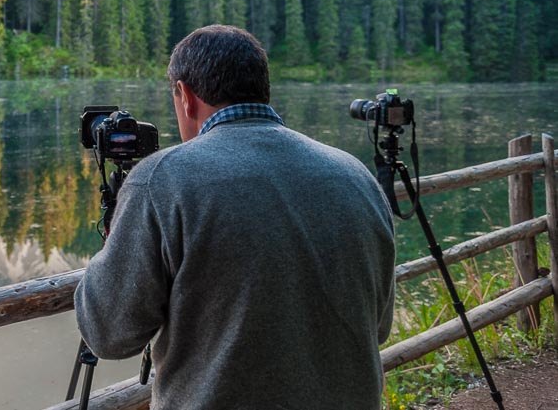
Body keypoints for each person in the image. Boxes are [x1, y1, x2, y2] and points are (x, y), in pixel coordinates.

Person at [75, 25, 395, 410]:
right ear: (262, 87)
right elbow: (377, 329)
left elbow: (108, 334)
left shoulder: (162, 180)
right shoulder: (355, 175)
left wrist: (111, 247)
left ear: (185, 96)